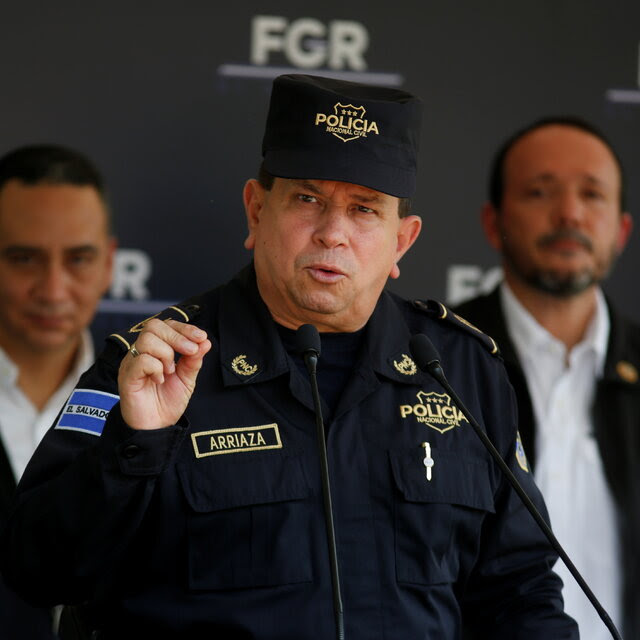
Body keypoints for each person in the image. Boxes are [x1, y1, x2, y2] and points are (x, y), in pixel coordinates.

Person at [1, 76, 577, 639]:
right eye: (308, 199)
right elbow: (39, 569)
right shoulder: (155, 364)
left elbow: (519, 590)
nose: (333, 233)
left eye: (365, 209)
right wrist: (136, 445)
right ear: (256, 212)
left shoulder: (462, 370)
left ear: (402, 241)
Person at [455, 116, 638, 640]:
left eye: (593, 194)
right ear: (494, 223)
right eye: (540, 192)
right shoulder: (434, 363)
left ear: (622, 230)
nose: (570, 213)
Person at [0, 144, 116, 637]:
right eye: (24, 258)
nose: (52, 289)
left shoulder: (159, 402)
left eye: (78, 259)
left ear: (110, 263)